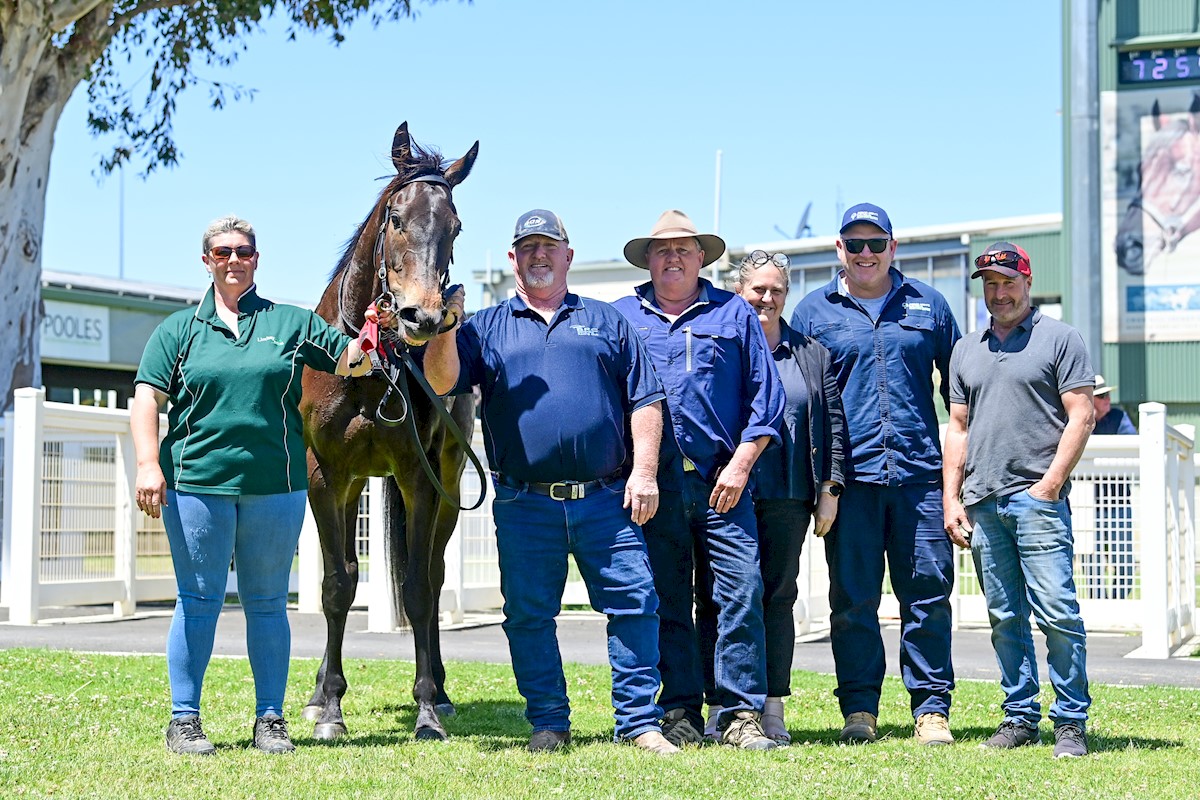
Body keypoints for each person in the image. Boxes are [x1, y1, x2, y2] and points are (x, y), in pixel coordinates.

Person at [423, 209, 678, 756]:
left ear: (568, 254)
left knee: (635, 605)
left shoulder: (607, 321)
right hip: (525, 503)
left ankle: (639, 723)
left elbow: (646, 399)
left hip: (607, 499)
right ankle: (548, 722)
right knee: (529, 616)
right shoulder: (485, 326)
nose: (539, 255)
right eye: (528, 247)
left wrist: (646, 471)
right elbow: (443, 380)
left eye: (549, 246)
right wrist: (446, 326)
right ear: (512, 258)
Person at [132, 215, 380, 756]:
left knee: (267, 602)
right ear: (207, 261)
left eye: (243, 251)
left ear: (257, 258)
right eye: (223, 252)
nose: (234, 260)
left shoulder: (289, 322)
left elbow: (350, 361)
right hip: (196, 482)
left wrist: (371, 335)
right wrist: (149, 464)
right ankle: (184, 719)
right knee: (198, 600)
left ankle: (270, 718)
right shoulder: (176, 331)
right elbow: (147, 398)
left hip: (277, 485)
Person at [613, 210, 785, 751]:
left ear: (701, 258)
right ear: (647, 259)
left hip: (722, 482)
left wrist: (741, 463)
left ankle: (739, 713)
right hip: (653, 486)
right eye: (663, 251)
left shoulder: (733, 313)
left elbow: (767, 398)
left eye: (684, 250)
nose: (673, 259)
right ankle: (679, 709)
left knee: (740, 593)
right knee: (666, 597)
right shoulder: (621, 316)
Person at [790, 203, 960, 746]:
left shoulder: (929, 307)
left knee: (928, 595)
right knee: (853, 600)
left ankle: (931, 708)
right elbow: (803, 399)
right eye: (854, 244)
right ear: (838, 249)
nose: (866, 253)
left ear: (893, 247)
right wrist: (821, 484)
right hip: (850, 482)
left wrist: (957, 480)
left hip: (919, 479)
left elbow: (959, 394)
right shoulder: (813, 313)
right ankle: (860, 709)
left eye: (876, 243)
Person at [943, 241, 1095, 759]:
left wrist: (1050, 485)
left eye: (1008, 282)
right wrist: (952, 500)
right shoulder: (966, 349)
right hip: (983, 501)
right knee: (1004, 617)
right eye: (990, 283)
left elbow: (1082, 414)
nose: (999, 292)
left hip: (1037, 500)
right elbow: (957, 428)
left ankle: (1071, 721)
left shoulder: (1060, 338)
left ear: (1027, 282)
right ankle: (1020, 716)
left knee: (1057, 613)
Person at [696, 250, 847, 744]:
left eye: (776, 290)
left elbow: (834, 425)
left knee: (778, 597)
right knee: (720, 598)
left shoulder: (810, 352)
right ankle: (721, 707)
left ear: (787, 296)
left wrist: (830, 488)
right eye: (757, 289)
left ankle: (772, 706)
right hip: (723, 489)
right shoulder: (720, 344)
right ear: (739, 292)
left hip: (788, 491)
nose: (766, 297)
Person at [1086, 375, 1137, 599]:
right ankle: (1098, 604)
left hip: (1118, 500)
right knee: (1092, 561)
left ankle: (1118, 602)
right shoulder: (1077, 420)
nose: (1108, 399)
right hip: (1087, 503)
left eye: (1108, 394)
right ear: (1091, 399)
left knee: (1124, 560)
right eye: (1102, 395)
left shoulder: (1119, 417)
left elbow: (1132, 445)